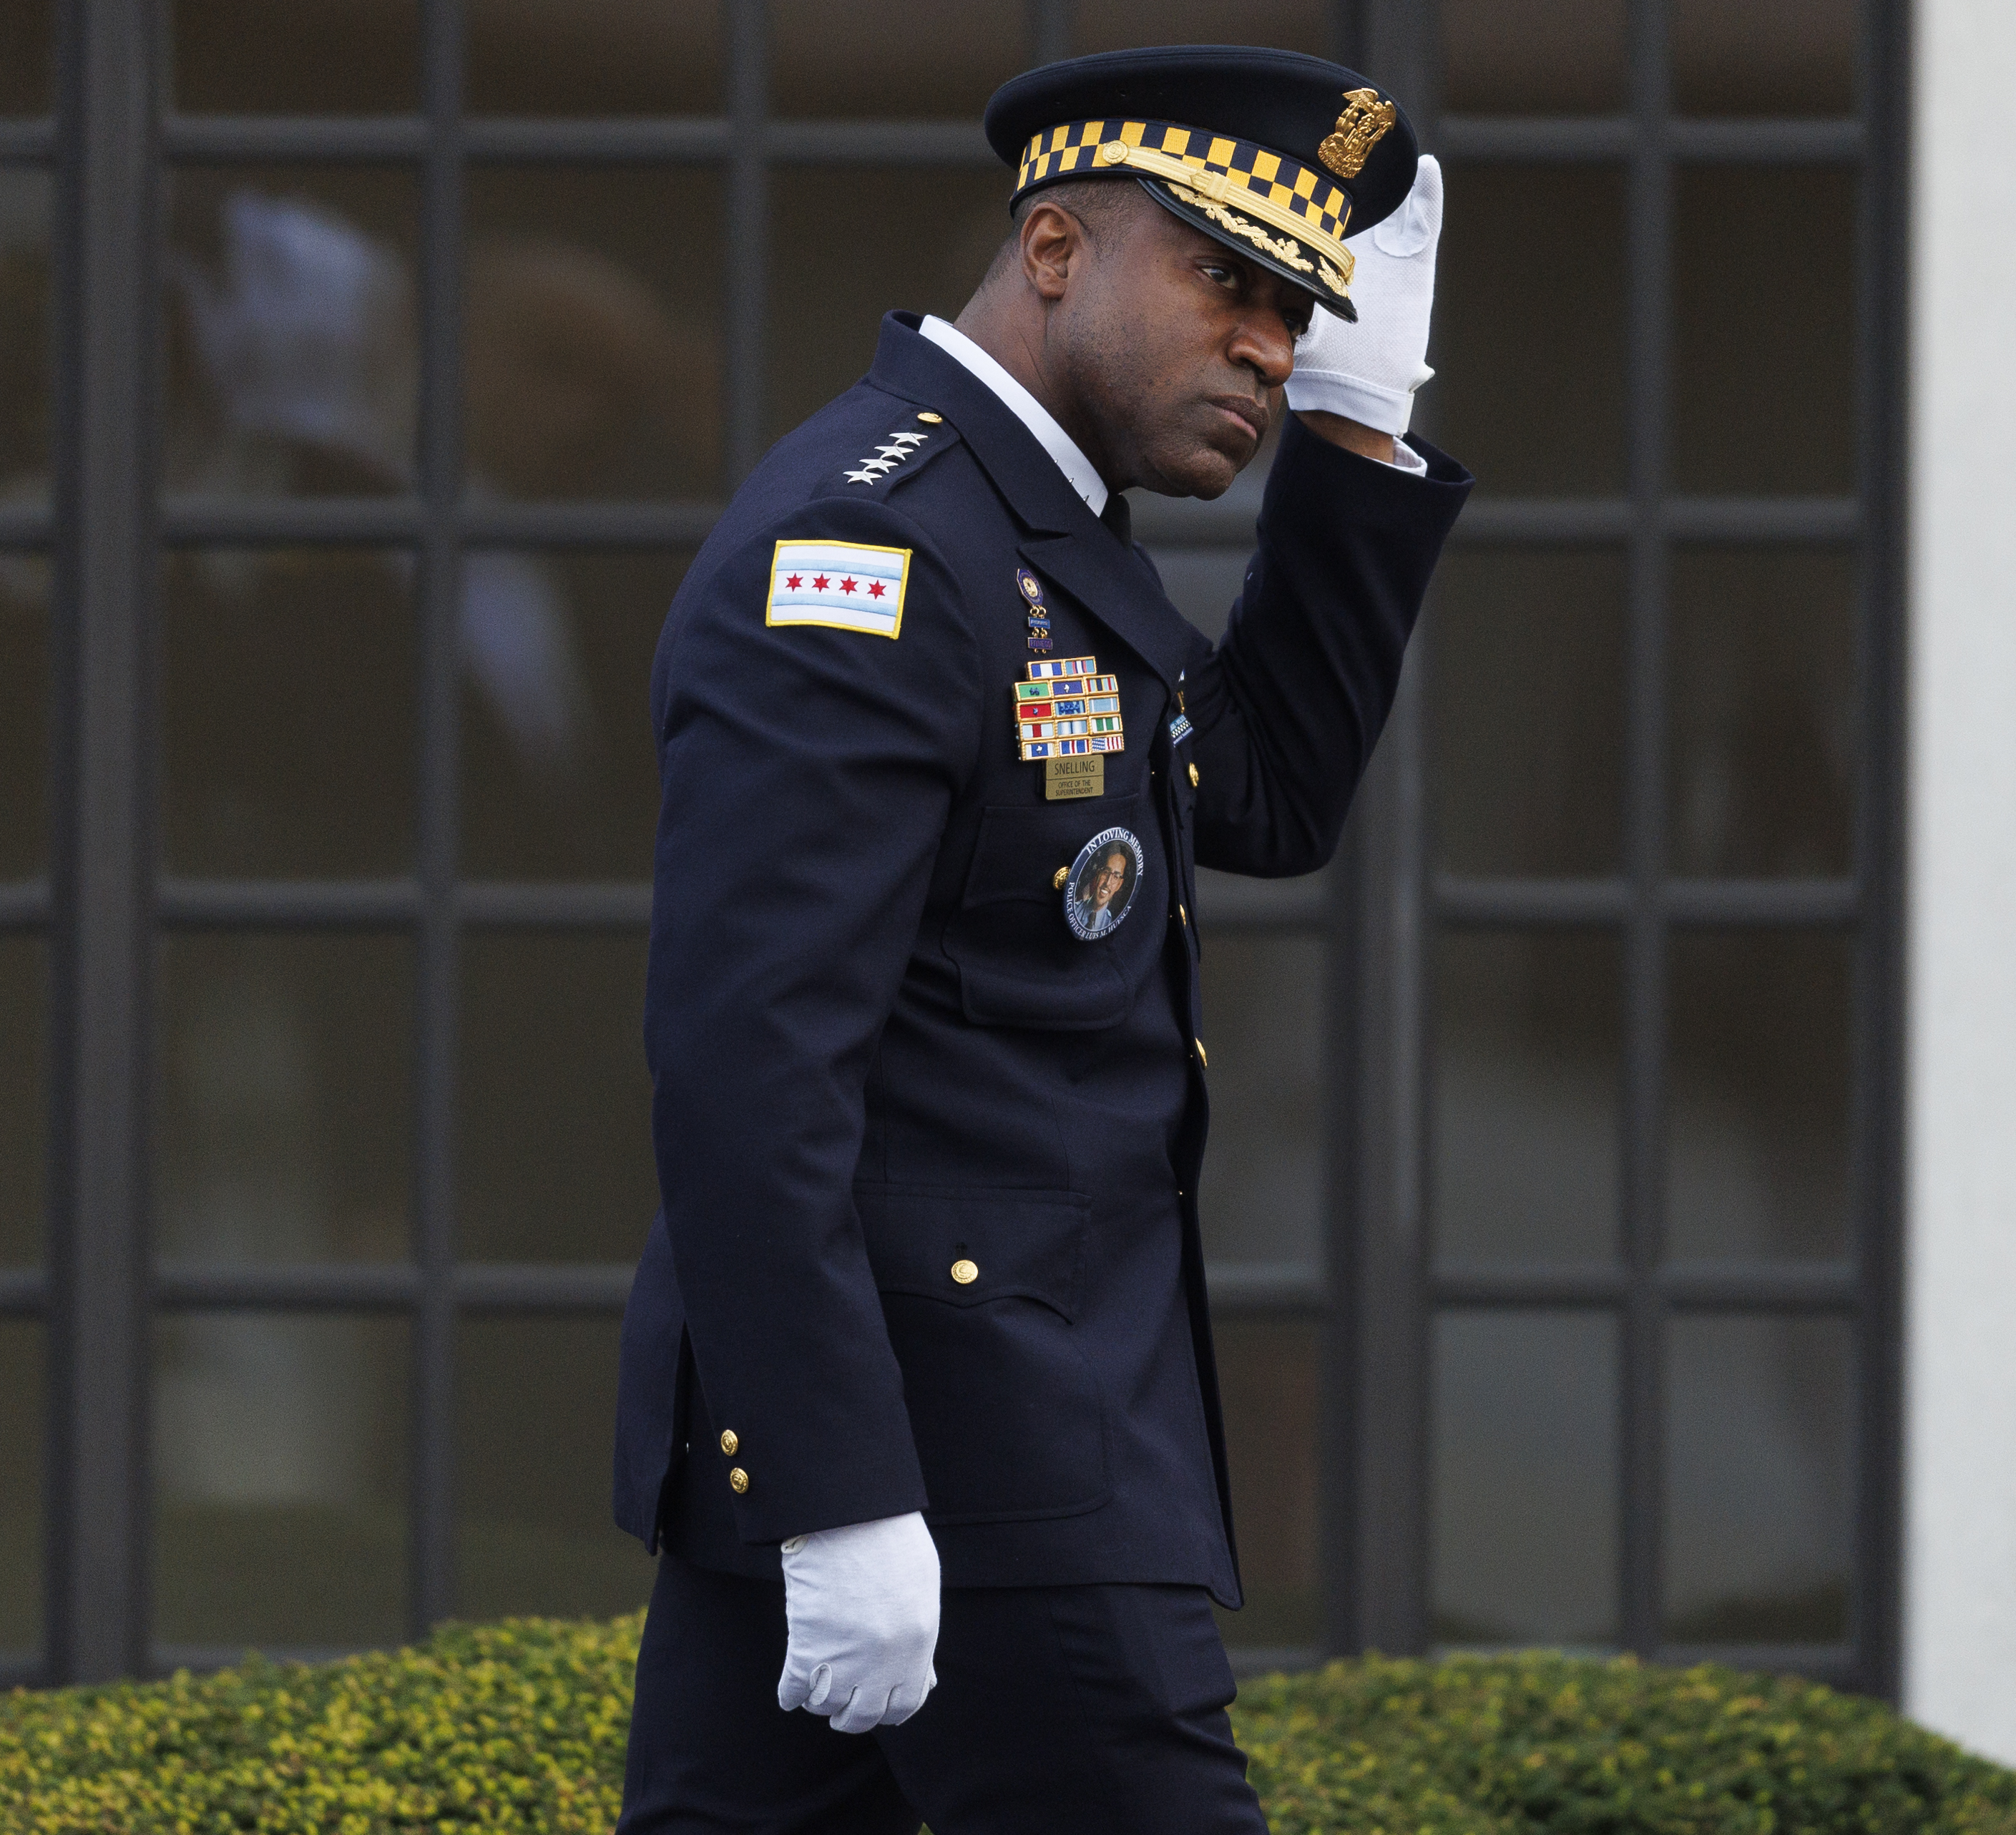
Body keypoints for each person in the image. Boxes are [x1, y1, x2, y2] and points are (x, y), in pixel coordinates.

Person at [612, 44, 1469, 1833]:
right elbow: (748, 1066)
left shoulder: (1039, 533)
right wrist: (844, 1498)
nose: (1266, 338)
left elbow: (1261, 796)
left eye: (1298, 308)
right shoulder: (872, 544)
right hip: (966, 1462)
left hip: (972, 1450)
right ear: (1060, 249)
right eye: (1229, 279)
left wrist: (1354, 430)